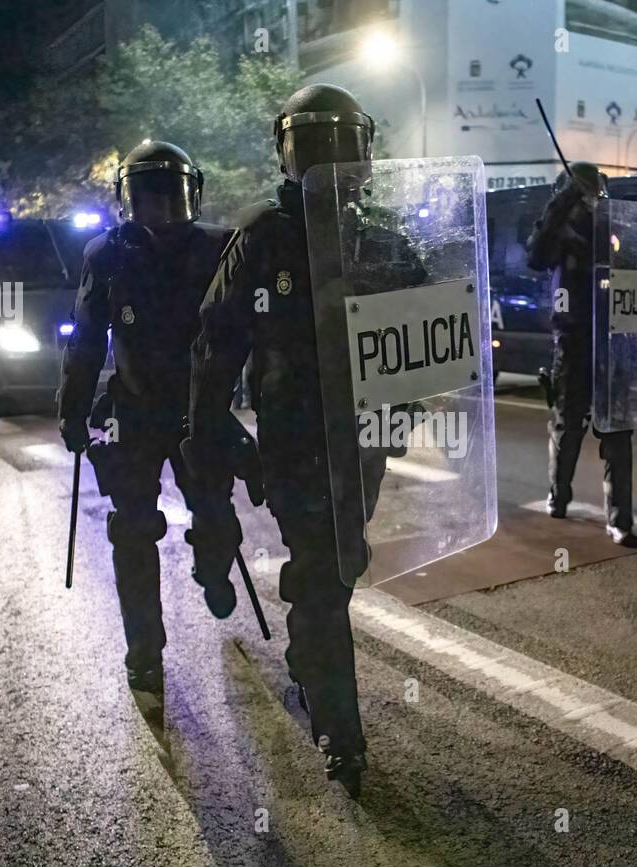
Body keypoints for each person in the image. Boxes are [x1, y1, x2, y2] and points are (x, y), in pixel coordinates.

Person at [189, 83, 419, 797]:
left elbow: (426, 337)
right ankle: (339, 730)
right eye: (314, 146)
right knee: (323, 572)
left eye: (340, 147)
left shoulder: (380, 240)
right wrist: (209, 432)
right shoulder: (262, 237)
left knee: (336, 569)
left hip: (363, 443)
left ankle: (308, 661)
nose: (330, 162)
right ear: (289, 154)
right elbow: (216, 342)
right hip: (292, 442)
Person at [58, 141, 234, 692]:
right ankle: (144, 649)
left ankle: (213, 566)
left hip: (198, 413)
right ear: (127, 202)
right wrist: (73, 410)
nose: (159, 212)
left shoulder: (218, 250)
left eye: (170, 198)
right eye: (147, 200)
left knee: (218, 518)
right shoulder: (106, 256)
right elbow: (87, 338)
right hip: (131, 413)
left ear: (191, 197)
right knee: (132, 533)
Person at [527, 162, 637, 546]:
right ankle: (558, 497)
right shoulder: (559, 235)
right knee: (567, 426)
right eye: (584, 192)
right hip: (573, 341)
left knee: (617, 431)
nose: (591, 199)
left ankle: (621, 520)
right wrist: (564, 201)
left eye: (593, 192)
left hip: (613, 340)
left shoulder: (610, 228)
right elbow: (536, 255)